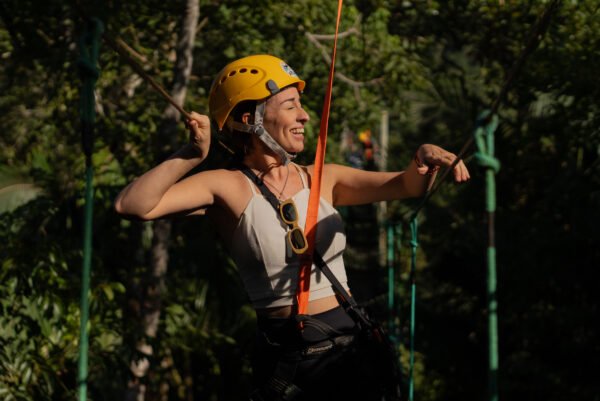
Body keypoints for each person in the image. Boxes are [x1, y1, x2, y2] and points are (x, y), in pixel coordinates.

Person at [115, 54, 470, 400]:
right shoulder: (225, 186)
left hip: (352, 351)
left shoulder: (322, 177)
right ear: (248, 117)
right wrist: (191, 154)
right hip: (292, 364)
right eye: (289, 106)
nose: (304, 116)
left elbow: (407, 185)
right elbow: (132, 205)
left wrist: (423, 157)